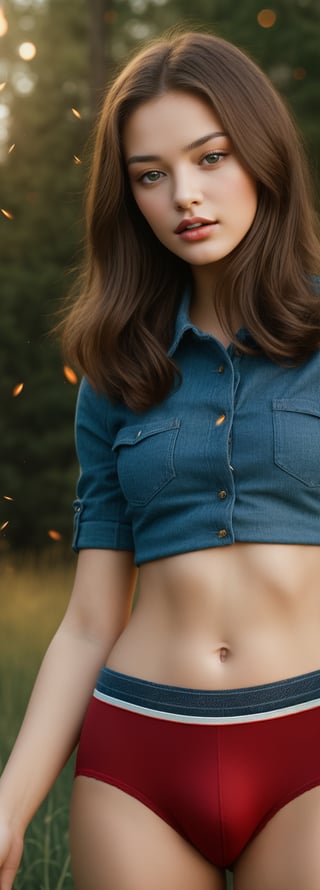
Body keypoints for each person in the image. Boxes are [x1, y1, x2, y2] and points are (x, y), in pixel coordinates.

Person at [1, 29, 320, 890]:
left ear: (262, 156)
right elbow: (88, 621)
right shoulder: (115, 371)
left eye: (211, 157)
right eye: (151, 173)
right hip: (137, 755)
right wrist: (10, 806)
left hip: (307, 745)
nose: (186, 195)